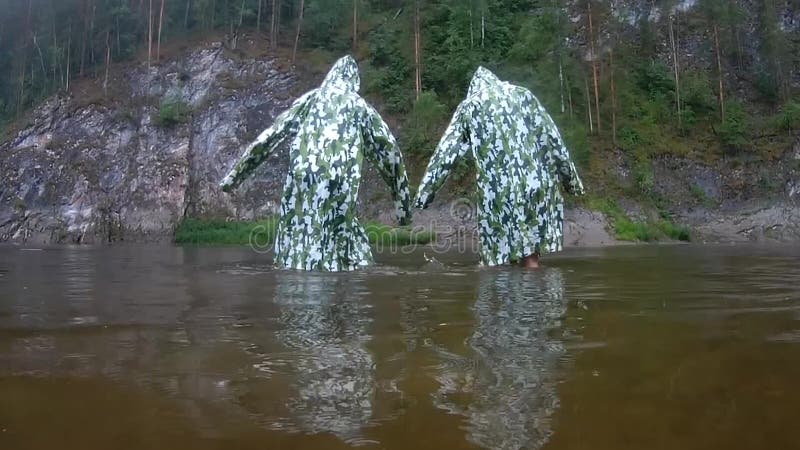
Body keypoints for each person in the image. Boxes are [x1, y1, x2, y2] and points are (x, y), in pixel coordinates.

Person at [220, 55, 412, 271]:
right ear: (353, 82)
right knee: (340, 230)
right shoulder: (360, 107)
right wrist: (403, 210)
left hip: (302, 176)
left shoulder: (310, 99)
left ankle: (297, 277)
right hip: (339, 178)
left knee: (297, 229)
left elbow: (271, 135)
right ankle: (340, 278)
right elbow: (390, 153)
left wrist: (234, 177)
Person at [414, 67, 584, 267]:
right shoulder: (524, 95)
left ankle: (520, 292)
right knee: (530, 256)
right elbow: (554, 140)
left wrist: (423, 197)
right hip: (539, 187)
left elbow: (445, 154)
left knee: (497, 264)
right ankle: (538, 292)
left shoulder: (471, 105)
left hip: (500, 194)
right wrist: (572, 182)